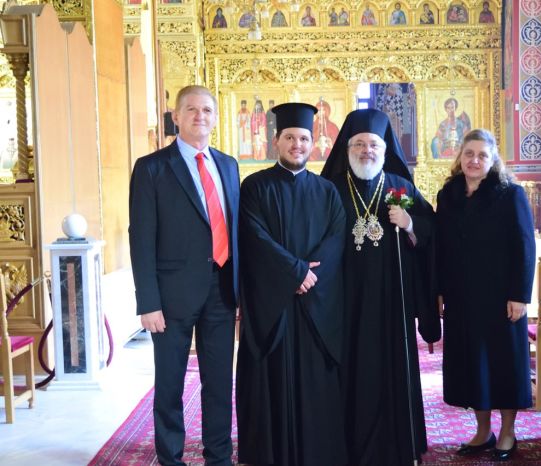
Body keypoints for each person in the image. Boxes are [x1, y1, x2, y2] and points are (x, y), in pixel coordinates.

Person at [321, 109, 440, 466]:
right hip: (345, 301)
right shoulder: (331, 189)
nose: (366, 150)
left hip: (392, 301)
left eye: (373, 144)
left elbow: (431, 230)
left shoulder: (400, 188)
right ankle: (345, 446)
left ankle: (396, 444)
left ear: (385, 149)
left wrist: (410, 223)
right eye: (359, 144)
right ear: (347, 149)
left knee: (391, 370)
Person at [129, 85, 240, 466]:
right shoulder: (152, 167)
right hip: (171, 295)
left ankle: (219, 456)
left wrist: (242, 290)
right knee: (170, 383)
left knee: (219, 382)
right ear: (175, 117)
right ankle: (171, 457)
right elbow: (141, 237)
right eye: (191, 109)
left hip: (222, 290)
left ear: (215, 117)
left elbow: (235, 230)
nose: (199, 116)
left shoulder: (228, 165)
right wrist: (148, 302)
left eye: (207, 110)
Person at [236, 103, 347, 466]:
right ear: (276, 141)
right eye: (289, 138)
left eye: (303, 138)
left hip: (316, 303)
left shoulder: (327, 191)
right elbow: (254, 236)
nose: (297, 145)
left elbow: (336, 238)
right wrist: (295, 271)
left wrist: (309, 276)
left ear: (313, 143)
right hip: (274, 304)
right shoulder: (255, 187)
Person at [435, 129, 535, 461]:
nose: (474, 160)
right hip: (461, 297)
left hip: (501, 298)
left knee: (503, 364)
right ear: (460, 157)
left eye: (482, 155)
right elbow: (440, 247)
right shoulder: (448, 195)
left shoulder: (509, 193)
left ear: (493, 160)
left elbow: (524, 246)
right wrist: (439, 290)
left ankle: (507, 432)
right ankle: (482, 431)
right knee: (473, 367)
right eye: (469, 154)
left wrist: (520, 295)